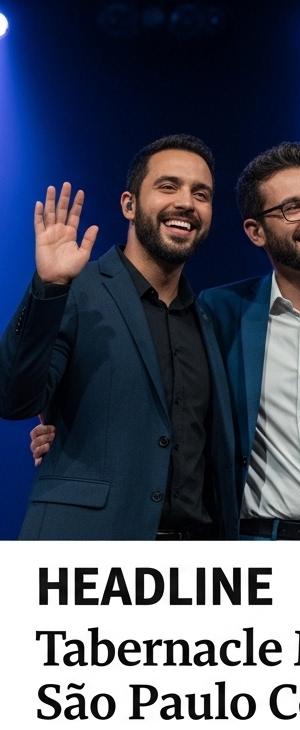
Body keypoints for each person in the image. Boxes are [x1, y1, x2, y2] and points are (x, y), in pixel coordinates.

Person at [32, 142, 300, 540]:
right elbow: (171, 401)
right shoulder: (219, 313)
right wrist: (73, 430)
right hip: (252, 550)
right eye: (292, 208)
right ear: (256, 232)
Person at [0, 135, 239, 539]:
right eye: (168, 186)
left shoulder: (209, 317)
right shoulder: (77, 290)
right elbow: (14, 398)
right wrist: (49, 287)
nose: (186, 202)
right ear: (129, 204)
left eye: (201, 193)